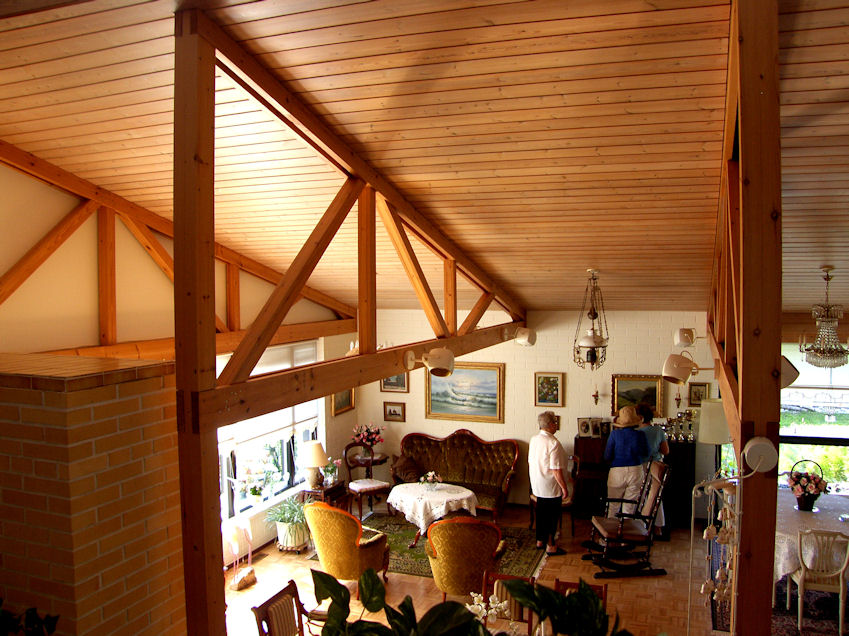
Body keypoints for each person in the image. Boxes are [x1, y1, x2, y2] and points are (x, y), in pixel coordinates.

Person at [528, 411, 570, 556]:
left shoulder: (534, 439)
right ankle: (551, 545)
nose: (556, 425)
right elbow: (556, 470)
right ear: (551, 424)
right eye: (555, 422)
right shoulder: (553, 443)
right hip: (550, 486)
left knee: (541, 513)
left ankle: (540, 540)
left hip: (537, 483)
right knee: (551, 516)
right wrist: (564, 488)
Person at [604, 405, 649, 518]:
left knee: (613, 505)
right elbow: (646, 453)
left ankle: (611, 528)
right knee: (630, 506)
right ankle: (626, 527)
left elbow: (607, 455)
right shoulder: (641, 435)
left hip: (617, 471)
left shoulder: (614, 434)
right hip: (635, 470)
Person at [636, 403, 668, 533]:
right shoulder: (658, 430)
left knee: (641, 496)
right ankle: (657, 526)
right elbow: (665, 451)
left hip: (640, 466)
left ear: (640, 417)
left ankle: (640, 525)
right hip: (656, 466)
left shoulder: (636, 432)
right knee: (655, 496)